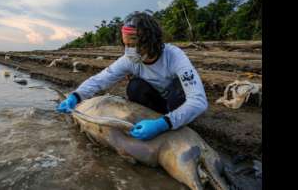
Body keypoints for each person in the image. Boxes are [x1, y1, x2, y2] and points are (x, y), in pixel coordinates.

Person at [56, 11, 208, 140]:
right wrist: (75, 96)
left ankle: (174, 121)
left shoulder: (174, 56)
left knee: (179, 89)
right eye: (126, 45)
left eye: (134, 45)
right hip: (157, 103)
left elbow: (199, 101)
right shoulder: (129, 60)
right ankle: (155, 120)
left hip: (176, 101)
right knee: (135, 87)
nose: (129, 50)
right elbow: (100, 80)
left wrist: (163, 124)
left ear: (150, 41)